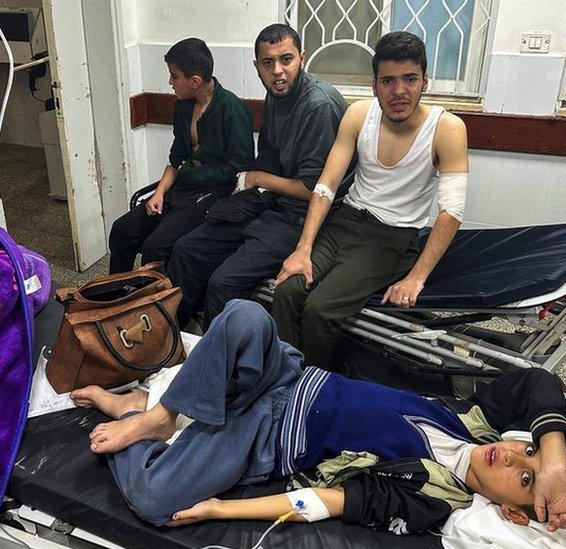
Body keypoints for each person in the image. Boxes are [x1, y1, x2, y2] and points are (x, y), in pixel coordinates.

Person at [70, 300, 566, 534]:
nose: (512, 456)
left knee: (155, 498)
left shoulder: (434, 501)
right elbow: (537, 380)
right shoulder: (478, 419)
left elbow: (326, 502)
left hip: (265, 438)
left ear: (513, 514)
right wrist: (552, 460)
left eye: (524, 480)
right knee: (245, 317)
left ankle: (133, 413)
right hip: (290, 377)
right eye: (528, 452)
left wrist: (218, 512)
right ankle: (161, 417)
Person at [272, 31, 469, 368]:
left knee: (320, 309)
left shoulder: (447, 128)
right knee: (287, 290)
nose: (399, 91)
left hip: (391, 236)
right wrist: (303, 250)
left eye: (410, 79)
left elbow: (452, 211)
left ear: (425, 80)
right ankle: (284, 379)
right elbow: (325, 187)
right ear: (374, 84)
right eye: (388, 81)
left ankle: (316, 388)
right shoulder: (359, 115)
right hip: (345, 221)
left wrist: (416, 277)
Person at [165, 24, 356, 328]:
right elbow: (267, 156)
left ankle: (218, 362)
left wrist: (258, 180)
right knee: (186, 250)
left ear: (302, 58)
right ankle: (170, 341)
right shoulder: (276, 97)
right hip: (272, 204)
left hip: (305, 217)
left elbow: (315, 190)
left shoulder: (317, 106)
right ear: (257, 67)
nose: (278, 71)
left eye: (286, 60)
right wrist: (247, 190)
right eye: (268, 63)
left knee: (221, 283)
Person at [107, 38, 254, 274]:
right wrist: (159, 192)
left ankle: (153, 307)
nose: (170, 82)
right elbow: (176, 160)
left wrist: (192, 173)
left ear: (195, 81)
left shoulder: (232, 110)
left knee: (154, 247)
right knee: (122, 229)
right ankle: (114, 297)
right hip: (181, 188)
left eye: (174, 76)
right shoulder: (184, 107)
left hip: (213, 196)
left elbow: (240, 167)